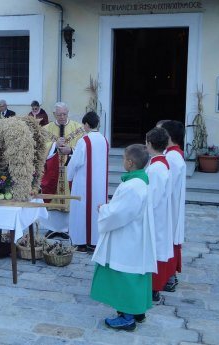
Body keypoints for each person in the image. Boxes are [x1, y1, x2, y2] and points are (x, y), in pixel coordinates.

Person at [90, 144, 156, 331]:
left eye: (123, 159)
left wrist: (103, 209)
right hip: (135, 235)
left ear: (130, 162)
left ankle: (128, 317)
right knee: (136, 274)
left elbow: (119, 214)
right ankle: (137, 310)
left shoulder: (132, 186)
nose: (122, 162)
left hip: (128, 238)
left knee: (125, 274)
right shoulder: (140, 181)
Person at [40, 102, 84, 235]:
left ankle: (68, 227)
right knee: (52, 196)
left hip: (70, 170)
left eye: (64, 114)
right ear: (54, 114)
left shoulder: (78, 128)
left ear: (68, 112)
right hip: (52, 170)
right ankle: (53, 228)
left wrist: (70, 149)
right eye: (59, 114)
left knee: (69, 197)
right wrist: (53, 144)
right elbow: (40, 148)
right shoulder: (46, 129)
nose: (62, 117)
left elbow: (83, 149)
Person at [67, 111, 109, 252]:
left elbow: (75, 162)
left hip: (83, 183)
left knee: (80, 211)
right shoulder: (104, 139)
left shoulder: (84, 140)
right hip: (100, 183)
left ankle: (81, 242)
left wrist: (69, 177)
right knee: (96, 211)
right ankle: (95, 241)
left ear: (86, 124)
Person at [145, 127, 174, 302]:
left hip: (155, 216)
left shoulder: (156, 168)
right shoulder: (160, 162)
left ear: (149, 144)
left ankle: (153, 288)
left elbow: (152, 198)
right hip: (160, 213)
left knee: (153, 251)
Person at [160, 120, 186, 292]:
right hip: (169, 203)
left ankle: (168, 276)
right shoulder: (170, 154)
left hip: (168, 205)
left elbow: (165, 185)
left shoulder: (172, 157)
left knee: (166, 239)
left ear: (168, 136)